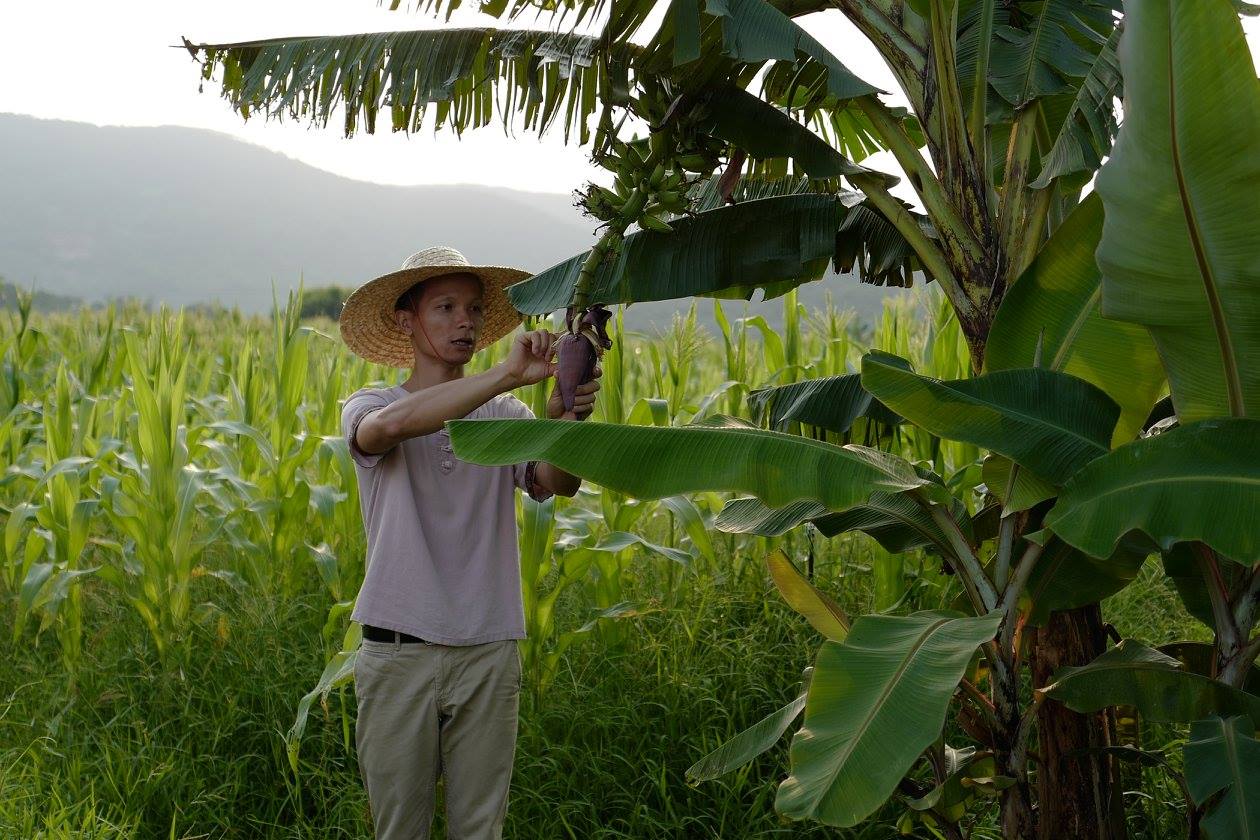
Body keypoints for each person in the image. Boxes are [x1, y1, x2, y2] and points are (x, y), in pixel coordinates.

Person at [336, 246, 601, 840]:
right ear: (406, 320)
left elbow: (558, 483)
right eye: (446, 307)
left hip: (488, 648)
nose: (466, 322)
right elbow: (391, 430)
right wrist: (506, 374)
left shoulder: (505, 415)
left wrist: (564, 421)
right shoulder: (371, 404)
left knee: (480, 830)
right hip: (398, 651)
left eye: (475, 309)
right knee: (398, 830)